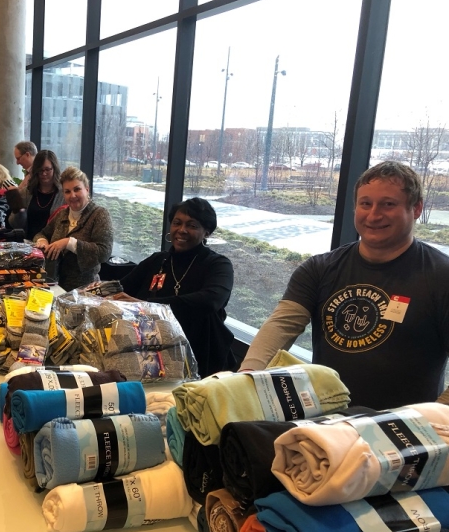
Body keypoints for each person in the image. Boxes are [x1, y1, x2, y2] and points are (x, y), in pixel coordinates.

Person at [240, 161, 449, 410]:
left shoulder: (441, 276)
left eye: (388, 204)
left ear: (416, 209)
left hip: (401, 435)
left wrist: (435, 419)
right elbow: (281, 325)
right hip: (324, 424)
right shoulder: (319, 268)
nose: (373, 215)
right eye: (365, 204)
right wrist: (244, 379)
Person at [114, 198, 235, 378]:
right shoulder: (158, 261)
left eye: (192, 225)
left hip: (200, 358)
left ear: (206, 232)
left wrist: (147, 306)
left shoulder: (218, 265)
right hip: (151, 355)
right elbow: (120, 289)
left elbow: (210, 300)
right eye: (177, 223)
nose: (182, 230)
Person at [34, 166, 113, 291]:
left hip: (85, 292)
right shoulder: (62, 214)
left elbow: (104, 252)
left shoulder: (99, 214)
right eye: (67, 191)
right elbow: (41, 233)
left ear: (87, 190)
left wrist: (68, 242)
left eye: (77, 189)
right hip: (54, 287)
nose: (73, 195)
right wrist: (42, 241)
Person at [14, 149, 65, 240]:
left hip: (53, 246)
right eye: (40, 170)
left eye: (47, 169)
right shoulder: (26, 192)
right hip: (28, 244)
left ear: (54, 169)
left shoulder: (63, 193)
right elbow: (15, 223)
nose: (44, 173)